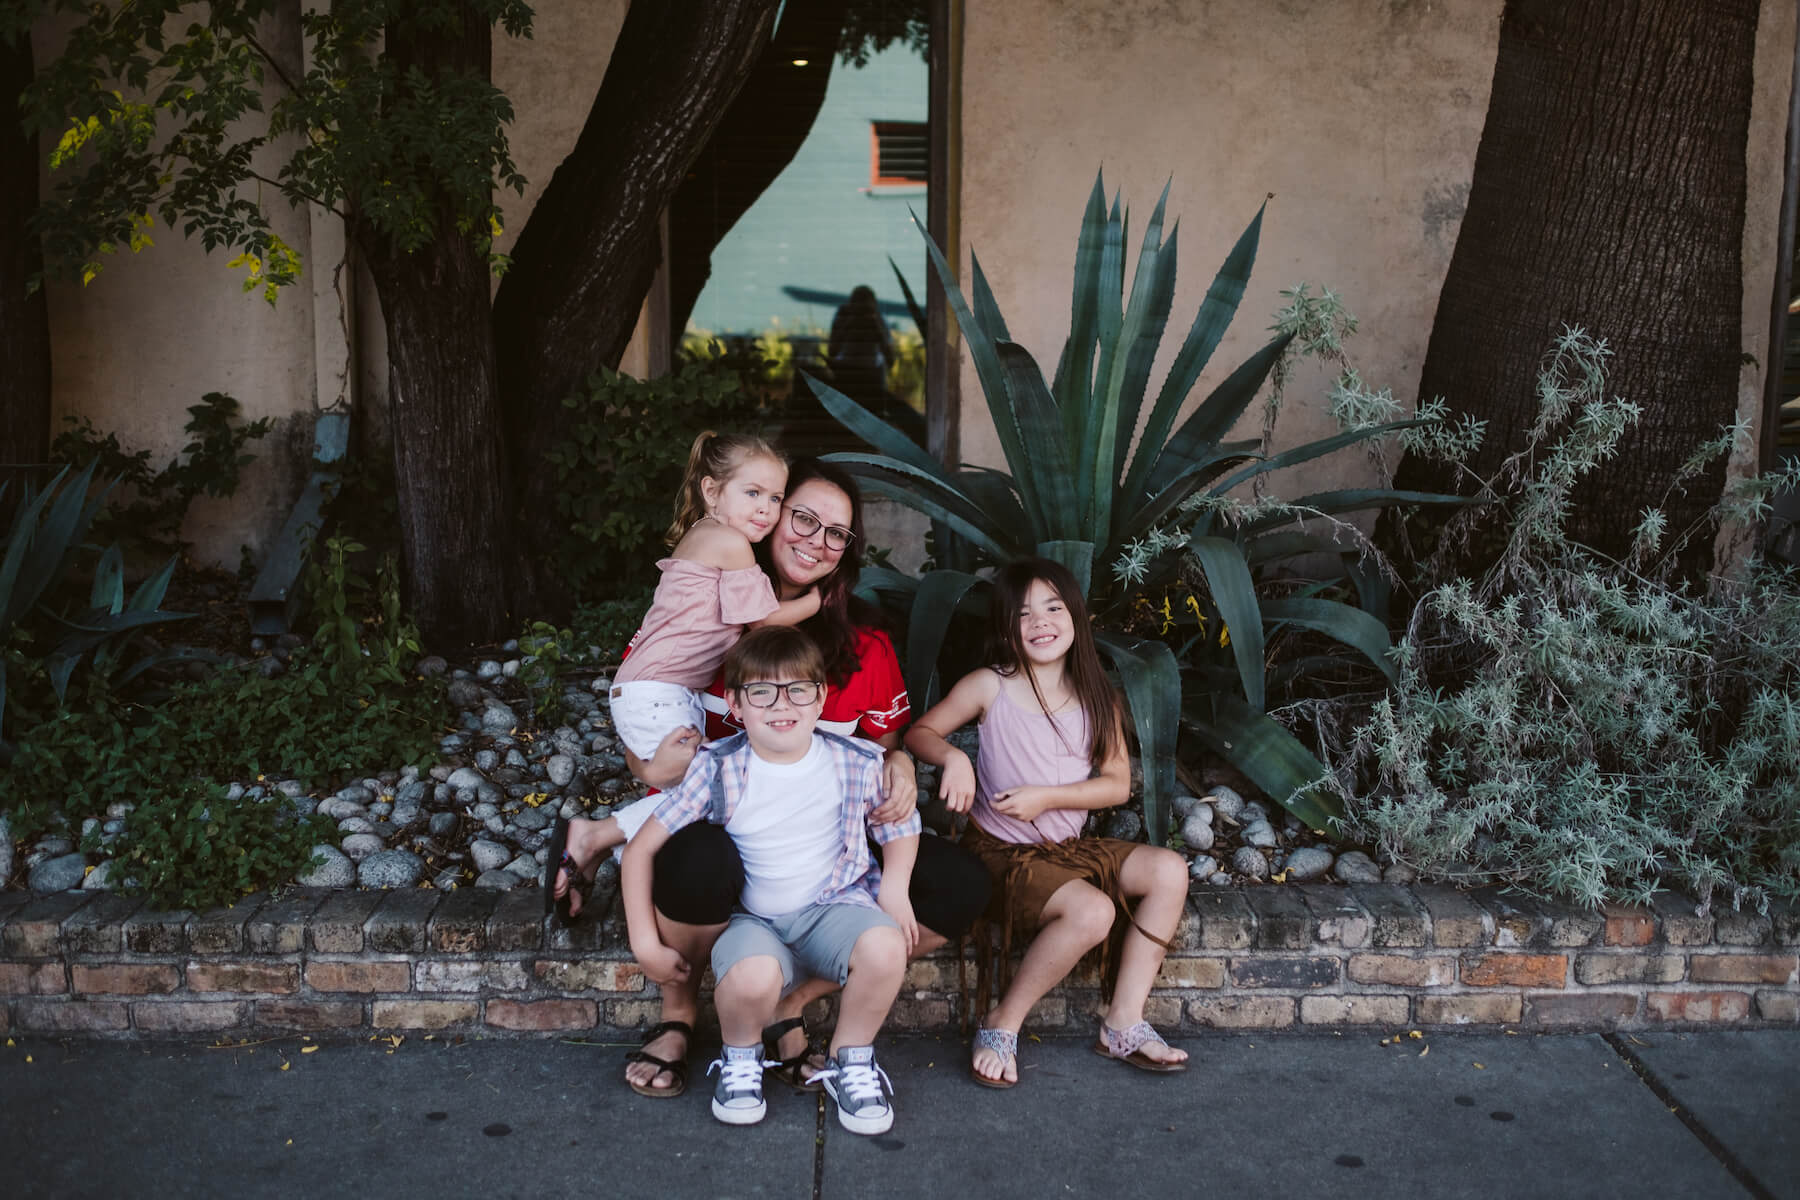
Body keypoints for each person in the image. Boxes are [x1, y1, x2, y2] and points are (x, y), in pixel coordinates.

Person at [549, 458, 990, 1096]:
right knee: (699, 855)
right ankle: (680, 1009)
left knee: (962, 883)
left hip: (822, 845)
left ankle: (791, 1001)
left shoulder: (866, 644)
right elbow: (644, 713)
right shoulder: (699, 620)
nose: (816, 540)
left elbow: (884, 744)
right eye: (803, 518)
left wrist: (898, 762)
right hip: (720, 833)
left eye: (836, 533)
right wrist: (646, 765)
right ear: (769, 515)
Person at [905, 557, 1191, 1088]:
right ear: (1007, 630)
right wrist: (954, 758)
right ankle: (1002, 1021)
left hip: (1066, 850)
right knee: (1093, 912)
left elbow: (1116, 783)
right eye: (1023, 614)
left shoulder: (1098, 696)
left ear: (1076, 616)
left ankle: (1123, 1022)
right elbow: (919, 732)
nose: (1040, 621)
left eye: (1053, 607)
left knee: (1169, 869)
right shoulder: (990, 686)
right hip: (1001, 853)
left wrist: (1048, 797)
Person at [622, 626, 918, 1134]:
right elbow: (640, 849)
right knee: (752, 976)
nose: (782, 705)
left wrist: (895, 886)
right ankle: (740, 1058)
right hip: (753, 919)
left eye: (799, 689)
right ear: (736, 702)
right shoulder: (716, 767)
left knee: (887, 946)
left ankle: (854, 1060)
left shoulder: (857, 761)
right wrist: (644, 941)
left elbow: (900, 827)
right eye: (762, 691)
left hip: (829, 909)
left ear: (822, 695)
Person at [602, 430, 819, 774]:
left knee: (693, 788)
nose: (765, 508)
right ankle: (602, 830)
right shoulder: (729, 542)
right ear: (711, 492)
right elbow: (763, 621)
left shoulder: (705, 533)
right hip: (658, 691)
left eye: (776, 498)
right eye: (752, 493)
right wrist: (816, 601)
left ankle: (596, 831)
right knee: (697, 783)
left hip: (655, 689)